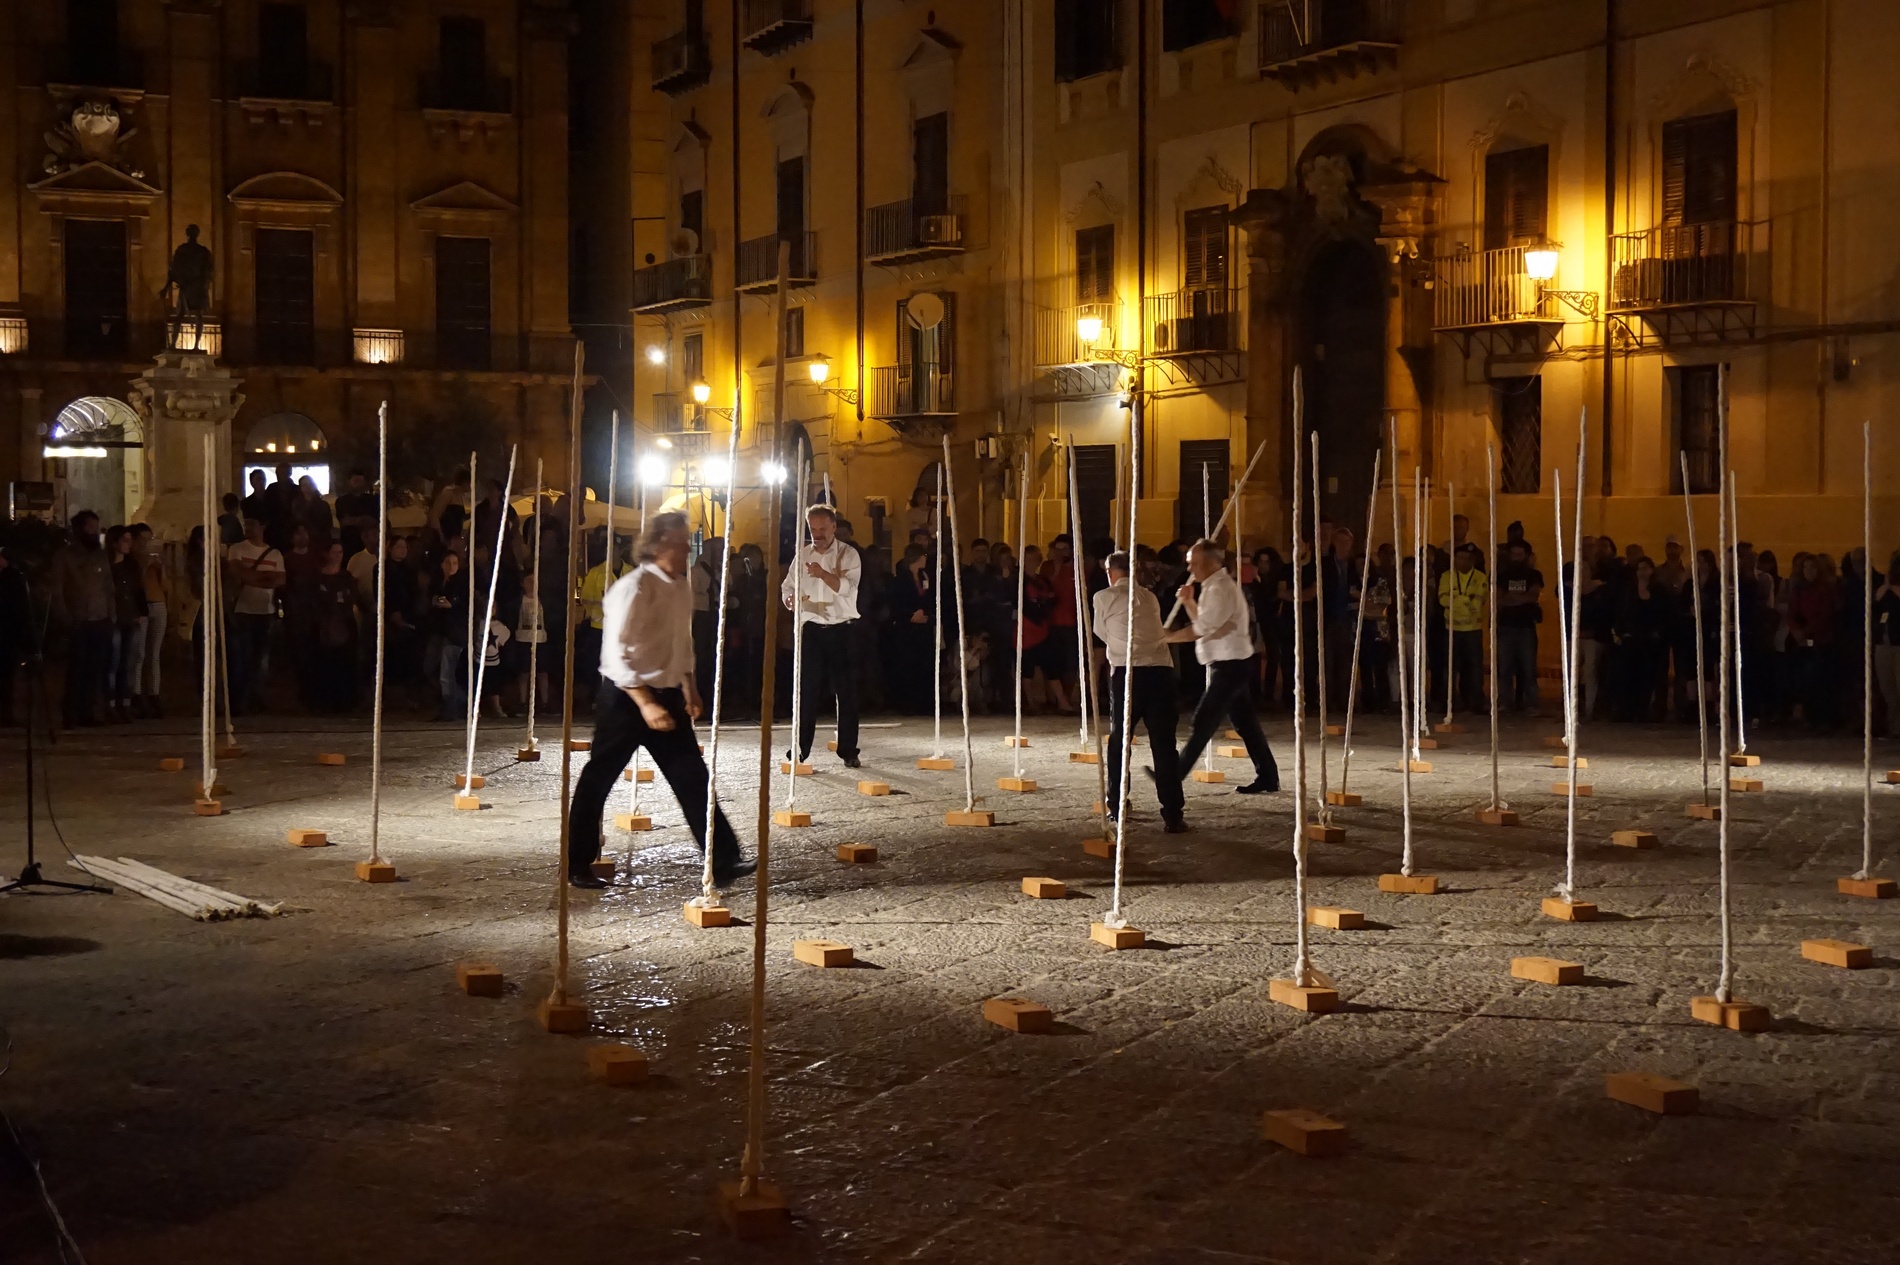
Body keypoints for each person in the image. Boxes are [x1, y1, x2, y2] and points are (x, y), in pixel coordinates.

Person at [567, 512, 753, 890]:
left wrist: (690, 687)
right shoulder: (633, 588)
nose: (686, 547)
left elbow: (681, 644)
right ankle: (577, 863)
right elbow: (616, 654)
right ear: (655, 545)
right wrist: (645, 703)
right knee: (597, 779)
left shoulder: (681, 587)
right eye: (679, 541)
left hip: (666, 695)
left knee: (693, 778)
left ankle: (723, 860)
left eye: (686, 540)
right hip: (625, 698)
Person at [1174, 539, 1279, 793]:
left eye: (1194, 564)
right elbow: (1206, 621)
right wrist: (1189, 602)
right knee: (1245, 724)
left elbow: (1202, 628)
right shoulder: (1212, 587)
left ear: (1211, 563)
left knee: (1204, 719)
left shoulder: (1220, 588)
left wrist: (1164, 637)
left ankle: (1173, 773)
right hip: (1230, 662)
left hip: (1232, 665)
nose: (1191, 570)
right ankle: (1267, 776)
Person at [1093, 551, 1187, 832]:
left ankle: (1118, 806)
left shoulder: (1103, 597)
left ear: (1110, 571)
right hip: (1160, 670)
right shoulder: (1149, 597)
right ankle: (1173, 814)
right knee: (1164, 745)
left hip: (1129, 672)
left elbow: (1102, 632)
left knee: (1119, 742)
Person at [782, 504, 864, 766]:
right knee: (806, 690)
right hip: (812, 629)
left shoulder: (849, 555)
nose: (816, 534)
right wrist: (790, 600)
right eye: (812, 529)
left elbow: (848, 589)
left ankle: (849, 750)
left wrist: (822, 573)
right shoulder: (802, 554)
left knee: (846, 692)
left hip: (843, 629)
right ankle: (800, 749)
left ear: (833, 527)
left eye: (821, 529)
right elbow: (788, 586)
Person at [48, 510, 115, 727]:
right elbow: (57, 591)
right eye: (90, 528)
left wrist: (110, 614)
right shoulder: (64, 557)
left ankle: (89, 711)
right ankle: (70, 713)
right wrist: (65, 617)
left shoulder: (100, 555)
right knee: (77, 668)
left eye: (96, 528)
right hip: (78, 620)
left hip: (100, 619)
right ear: (79, 530)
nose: (94, 532)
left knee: (95, 669)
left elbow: (108, 587)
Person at [1611, 556, 1671, 722]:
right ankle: (1628, 709)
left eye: (1645, 568)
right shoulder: (1629, 590)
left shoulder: (1659, 591)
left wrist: (1658, 632)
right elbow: (1621, 612)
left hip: (1651, 642)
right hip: (1632, 640)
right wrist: (1623, 632)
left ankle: (1644, 710)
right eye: (1639, 569)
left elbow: (1665, 614)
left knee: (1649, 676)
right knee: (1630, 675)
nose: (1642, 572)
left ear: (1652, 570)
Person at [307, 542, 362, 712]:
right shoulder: (317, 578)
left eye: (341, 552)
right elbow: (314, 601)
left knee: (345, 663)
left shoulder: (346, 577)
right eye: (334, 552)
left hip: (344, 624)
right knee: (324, 663)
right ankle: (325, 701)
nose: (338, 555)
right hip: (323, 626)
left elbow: (351, 598)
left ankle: (345, 701)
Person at [1438, 543, 1488, 715]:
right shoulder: (1447, 576)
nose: (1462, 562)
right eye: (1459, 558)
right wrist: (1465, 601)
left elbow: (1478, 602)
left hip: (1472, 629)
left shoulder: (1480, 577)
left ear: (1472, 560)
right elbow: (1443, 600)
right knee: (1450, 668)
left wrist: (1457, 601)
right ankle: (1450, 702)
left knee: (1474, 668)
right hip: (1451, 628)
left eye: (1466, 559)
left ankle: (1474, 702)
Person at [1493, 540, 1543, 713]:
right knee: (1504, 668)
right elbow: (1498, 600)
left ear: (1527, 556)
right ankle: (1505, 703)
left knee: (1528, 668)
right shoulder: (1502, 575)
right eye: (1513, 555)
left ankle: (1531, 704)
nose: (1516, 558)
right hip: (1505, 626)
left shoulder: (1534, 575)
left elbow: (1533, 597)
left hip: (1526, 628)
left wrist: (1512, 598)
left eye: (1519, 555)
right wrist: (1521, 598)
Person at [105, 525, 147, 723]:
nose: (129, 544)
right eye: (125, 540)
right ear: (114, 543)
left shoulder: (132, 567)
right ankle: (111, 703)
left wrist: (141, 612)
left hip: (130, 617)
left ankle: (126, 702)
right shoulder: (107, 568)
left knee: (129, 661)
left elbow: (138, 591)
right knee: (113, 662)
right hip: (114, 619)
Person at [131, 523, 168, 717]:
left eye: (149, 540)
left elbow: (165, 585)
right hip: (142, 606)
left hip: (158, 603)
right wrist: (145, 566)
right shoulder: (132, 560)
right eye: (143, 540)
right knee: (139, 653)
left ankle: (154, 693)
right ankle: (136, 694)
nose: (146, 544)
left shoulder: (154, 560)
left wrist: (161, 569)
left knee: (154, 653)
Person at [431, 550, 470, 721]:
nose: (451, 566)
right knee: (432, 668)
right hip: (441, 630)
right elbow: (433, 600)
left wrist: (440, 601)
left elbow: (448, 603)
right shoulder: (440, 582)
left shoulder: (460, 583)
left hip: (455, 633)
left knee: (447, 673)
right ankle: (458, 701)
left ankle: (452, 707)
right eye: (448, 562)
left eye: (455, 563)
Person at [0, 546, 32, 726]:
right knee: (7, 676)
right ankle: (6, 713)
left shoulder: (11, 578)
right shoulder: (13, 578)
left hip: (8, 634)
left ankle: (7, 713)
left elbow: (18, 608)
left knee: (7, 676)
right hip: (9, 634)